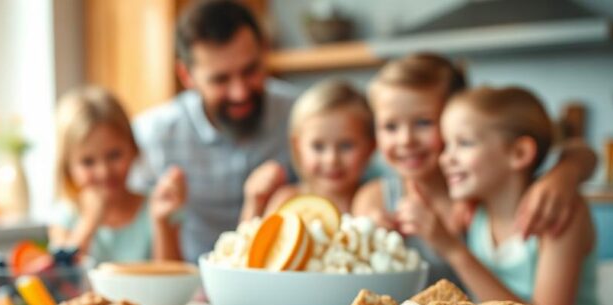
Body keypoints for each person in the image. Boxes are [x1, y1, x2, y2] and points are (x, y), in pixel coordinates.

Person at [351, 53, 597, 285]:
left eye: (424, 122)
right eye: (390, 127)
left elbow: (582, 153)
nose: (406, 140)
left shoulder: (481, 192)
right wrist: (371, 237)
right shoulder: (376, 199)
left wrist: (565, 173)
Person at [398, 86, 600, 305]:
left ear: (519, 153)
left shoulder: (558, 211)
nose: (445, 159)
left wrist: (452, 250)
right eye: (446, 145)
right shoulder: (473, 210)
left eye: (464, 143)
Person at [129, 0, 297, 262]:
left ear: (264, 52)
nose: (240, 92)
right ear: (187, 76)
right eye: (220, 79)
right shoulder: (154, 135)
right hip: (191, 285)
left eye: (250, 70)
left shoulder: (300, 117)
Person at [49, 86, 186, 262]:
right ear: (67, 166)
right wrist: (89, 222)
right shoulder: (65, 215)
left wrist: (160, 222)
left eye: (114, 155)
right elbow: (63, 280)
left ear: (133, 149)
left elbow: (171, 279)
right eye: (88, 162)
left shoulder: (155, 207)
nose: (104, 172)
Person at [241, 79, 375, 221]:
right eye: (318, 146)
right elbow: (249, 241)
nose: (331, 159)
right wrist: (254, 203)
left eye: (346, 145)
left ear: (371, 147)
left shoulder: (374, 199)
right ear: (297, 147)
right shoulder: (287, 200)